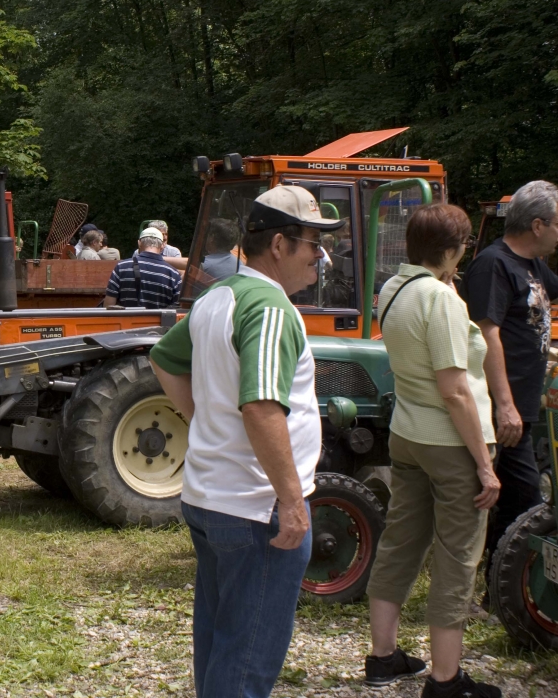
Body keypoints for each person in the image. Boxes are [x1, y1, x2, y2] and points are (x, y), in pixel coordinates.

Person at [149, 185, 341, 698]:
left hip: (210, 497)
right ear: (279, 244)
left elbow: (164, 359)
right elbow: (260, 406)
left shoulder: (218, 296)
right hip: (256, 510)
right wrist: (292, 500)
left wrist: (207, 420)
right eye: (312, 243)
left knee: (218, 640)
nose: (320, 257)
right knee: (249, 657)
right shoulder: (271, 308)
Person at [363, 204, 501, 697]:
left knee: (402, 540)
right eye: (462, 245)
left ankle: (383, 657)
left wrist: (449, 285)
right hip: (450, 442)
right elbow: (456, 389)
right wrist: (484, 466)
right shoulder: (439, 300)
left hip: (409, 434)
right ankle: (446, 679)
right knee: (457, 556)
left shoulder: (394, 288)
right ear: (450, 249)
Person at [460, 180, 558, 595]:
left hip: (523, 404)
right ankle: (510, 591)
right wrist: (505, 405)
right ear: (538, 225)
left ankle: (494, 589)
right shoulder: (494, 265)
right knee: (525, 501)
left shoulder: (533, 267)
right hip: (501, 407)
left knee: (510, 502)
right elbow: (487, 335)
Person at [104, 227, 181, 308]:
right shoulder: (174, 274)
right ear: (162, 246)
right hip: (158, 321)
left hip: (127, 320)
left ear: (139, 243)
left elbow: (109, 306)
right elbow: (177, 309)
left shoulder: (121, 267)